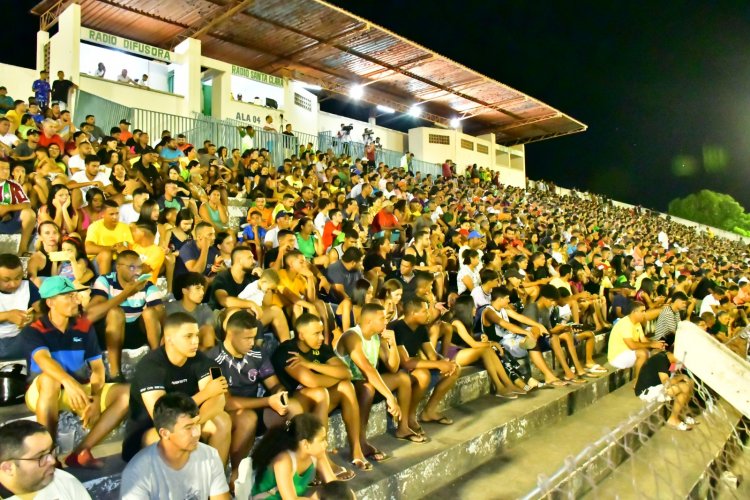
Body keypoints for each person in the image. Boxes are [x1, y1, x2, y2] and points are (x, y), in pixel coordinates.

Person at [22, 276, 130, 468]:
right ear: (50, 302)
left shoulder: (84, 327)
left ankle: (81, 451)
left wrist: (96, 396)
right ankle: (49, 455)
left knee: (126, 393)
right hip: (43, 392)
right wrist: (70, 384)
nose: (77, 300)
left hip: (79, 389)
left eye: (75, 296)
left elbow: (97, 367)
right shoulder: (34, 330)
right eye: (69, 297)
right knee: (49, 380)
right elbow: (44, 361)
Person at [122, 313, 232, 466]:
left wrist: (191, 424)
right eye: (188, 336)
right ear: (169, 339)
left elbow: (219, 399)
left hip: (190, 421)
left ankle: (214, 481)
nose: (195, 341)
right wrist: (205, 394)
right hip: (151, 431)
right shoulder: (150, 366)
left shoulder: (202, 360)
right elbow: (161, 416)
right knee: (168, 434)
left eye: (196, 335)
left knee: (222, 420)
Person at [271, 313, 366, 472]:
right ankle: (323, 459)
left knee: (346, 386)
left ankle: (356, 449)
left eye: (322, 332)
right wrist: (332, 376)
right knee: (320, 391)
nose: (322, 337)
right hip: (293, 409)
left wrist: (312, 365)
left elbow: (347, 372)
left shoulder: (321, 348)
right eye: (316, 333)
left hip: (319, 402)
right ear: (301, 335)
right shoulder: (287, 351)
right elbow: (311, 382)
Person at [207, 310, 291, 487]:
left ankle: (281, 473)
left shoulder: (257, 354)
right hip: (222, 413)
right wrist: (268, 401)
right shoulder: (213, 359)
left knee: (289, 412)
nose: (252, 343)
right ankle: (233, 474)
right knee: (248, 418)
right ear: (230, 334)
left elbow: (273, 384)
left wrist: (280, 393)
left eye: (254, 337)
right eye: (247, 338)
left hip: (253, 408)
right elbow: (226, 403)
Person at [336, 303, 427, 451]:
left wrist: (393, 343)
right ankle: (361, 441)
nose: (386, 321)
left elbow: (393, 367)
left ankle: (403, 428)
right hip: (348, 385)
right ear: (369, 321)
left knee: (403, 378)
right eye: (382, 318)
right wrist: (390, 397)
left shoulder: (377, 337)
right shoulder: (352, 336)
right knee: (368, 388)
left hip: (366, 381)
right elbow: (367, 368)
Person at [120, 392, 230, 499]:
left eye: (197, 424)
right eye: (188, 427)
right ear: (165, 433)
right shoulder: (137, 472)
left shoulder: (210, 455)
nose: (197, 433)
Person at [87, 250, 163, 381]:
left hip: (136, 333)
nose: (137, 272)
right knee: (116, 313)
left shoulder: (147, 286)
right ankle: (115, 374)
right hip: (109, 332)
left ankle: (158, 364)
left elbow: (161, 319)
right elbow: (89, 316)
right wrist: (126, 293)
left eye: (139, 267)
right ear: (118, 267)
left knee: (150, 312)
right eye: (132, 267)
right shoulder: (106, 281)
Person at [391, 297, 459, 433]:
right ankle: (410, 416)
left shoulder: (421, 328)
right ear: (412, 313)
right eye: (425, 311)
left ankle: (429, 412)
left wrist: (444, 362)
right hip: (397, 370)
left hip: (412, 366)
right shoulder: (396, 328)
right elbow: (406, 362)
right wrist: (438, 365)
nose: (429, 314)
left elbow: (432, 354)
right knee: (423, 375)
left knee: (455, 369)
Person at [251, 413, 335, 499]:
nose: (326, 443)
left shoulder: (317, 453)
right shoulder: (284, 461)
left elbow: (333, 484)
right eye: (322, 440)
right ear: (306, 444)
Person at [0, 420, 91, 499]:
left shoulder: (65, 482)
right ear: (7, 468)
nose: (52, 461)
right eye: (40, 457)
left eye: (51, 451)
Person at [634, 350, 696, 431]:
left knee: (690, 383)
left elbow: (673, 368)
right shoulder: (661, 360)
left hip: (657, 387)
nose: (682, 363)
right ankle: (673, 419)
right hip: (647, 392)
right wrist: (682, 376)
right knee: (685, 387)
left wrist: (682, 369)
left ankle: (681, 413)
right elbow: (666, 383)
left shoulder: (667, 358)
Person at [607, 300, 665, 381]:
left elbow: (643, 340)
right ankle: (637, 382)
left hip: (628, 353)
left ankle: (652, 378)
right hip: (617, 357)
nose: (644, 314)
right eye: (642, 311)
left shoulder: (637, 323)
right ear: (634, 312)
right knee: (643, 353)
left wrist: (656, 343)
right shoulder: (625, 324)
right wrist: (651, 345)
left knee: (656, 351)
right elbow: (632, 345)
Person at [0, 254, 40, 360]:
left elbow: (45, 311)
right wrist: (7, 316)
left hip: (20, 339)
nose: (13, 284)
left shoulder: (27, 286)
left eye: (18, 278)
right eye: (6, 280)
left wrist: (33, 318)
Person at [166, 272, 217, 350]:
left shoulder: (205, 310)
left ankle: (208, 360)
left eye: (203, 289)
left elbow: (209, 331)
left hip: (198, 347)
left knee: (208, 329)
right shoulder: (172, 308)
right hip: (177, 347)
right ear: (184, 291)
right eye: (197, 288)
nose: (202, 292)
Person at [84, 199, 134, 275]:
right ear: (103, 214)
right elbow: (88, 248)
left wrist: (124, 249)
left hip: (117, 261)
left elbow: (130, 247)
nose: (115, 217)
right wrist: (112, 248)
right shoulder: (94, 227)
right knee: (106, 254)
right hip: (97, 262)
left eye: (117, 213)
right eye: (111, 214)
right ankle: (104, 283)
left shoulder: (124, 227)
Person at [0, 158, 36, 254]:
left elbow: (27, 204)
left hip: (8, 221)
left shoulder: (13, 186)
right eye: (1, 168)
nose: (5, 171)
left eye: (7, 168)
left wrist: (8, 208)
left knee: (29, 214)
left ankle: (22, 249)